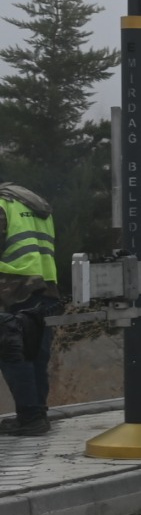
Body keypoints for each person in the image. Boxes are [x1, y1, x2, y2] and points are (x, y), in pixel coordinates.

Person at [0, 182, 61, 435]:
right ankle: (37, 413)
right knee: (35, 351)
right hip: (45, 286)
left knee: (12, 351)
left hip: (13, 288)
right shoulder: (33, 205)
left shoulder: (2, 206)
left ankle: (31, 417)